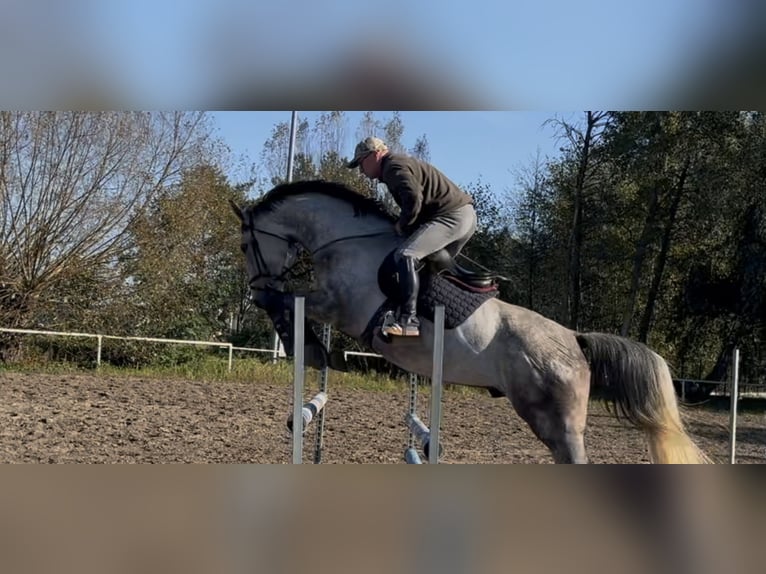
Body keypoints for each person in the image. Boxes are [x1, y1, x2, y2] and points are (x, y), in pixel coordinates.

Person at [346, 136, 476, 337]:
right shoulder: (397, 165)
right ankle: (425, 321)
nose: (361, 171)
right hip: (463, 216)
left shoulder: (393, 167)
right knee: (426, 271)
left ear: (375, 154)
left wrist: (401, 224)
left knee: (407, 255)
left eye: (361, 163)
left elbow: (413, 198)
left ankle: (409, 321)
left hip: (452, 217)